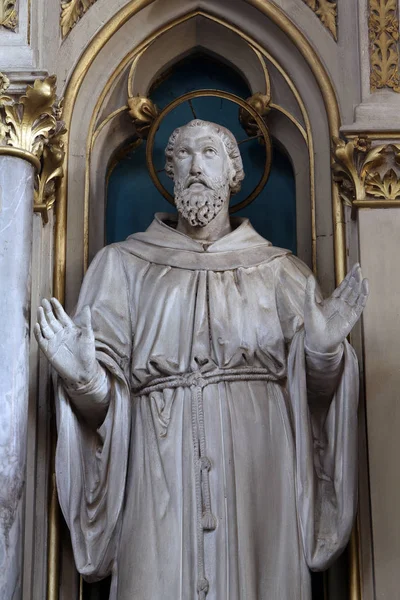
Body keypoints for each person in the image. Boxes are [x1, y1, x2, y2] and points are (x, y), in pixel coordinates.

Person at [35, 119, 368, 600]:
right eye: (183, 156)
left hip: (260, 468)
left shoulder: (282, 273)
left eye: (209, 152)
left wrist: (322, 354)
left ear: (234, 172)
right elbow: (104, 413)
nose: (195, 166)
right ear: (170, 173)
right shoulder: (121, 267)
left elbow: (315, 405)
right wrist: (87, 382)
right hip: (157, 468)